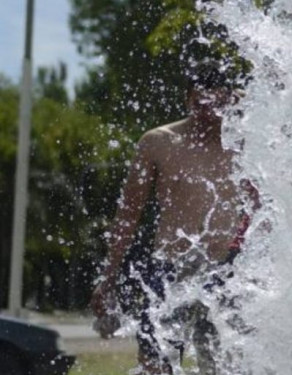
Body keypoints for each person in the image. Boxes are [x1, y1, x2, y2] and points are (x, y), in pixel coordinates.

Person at [90, 58, 259, 375]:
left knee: (226, 366)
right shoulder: (158, 142)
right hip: (169, 268)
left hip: (225, 271)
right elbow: (129, 214)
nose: (208, 112)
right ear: (187, 99)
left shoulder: (244, 144)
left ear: (228, 100)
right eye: (200, 103)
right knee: (156, 364)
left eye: (217, 103)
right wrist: (108, 277)